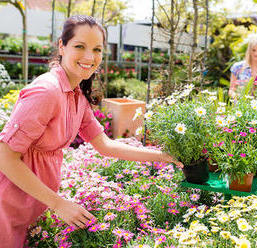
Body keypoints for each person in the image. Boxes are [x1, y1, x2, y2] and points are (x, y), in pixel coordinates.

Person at [0, 15, 182, 248]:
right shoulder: (47, 91)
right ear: (61, 46)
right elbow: (5, 155)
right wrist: (58, 204)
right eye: (79, 46)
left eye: (97, 49)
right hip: (6, 204)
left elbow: (105, 145)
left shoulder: (75, 95)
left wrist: (162, 156)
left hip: (30, 204)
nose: (89, 57)